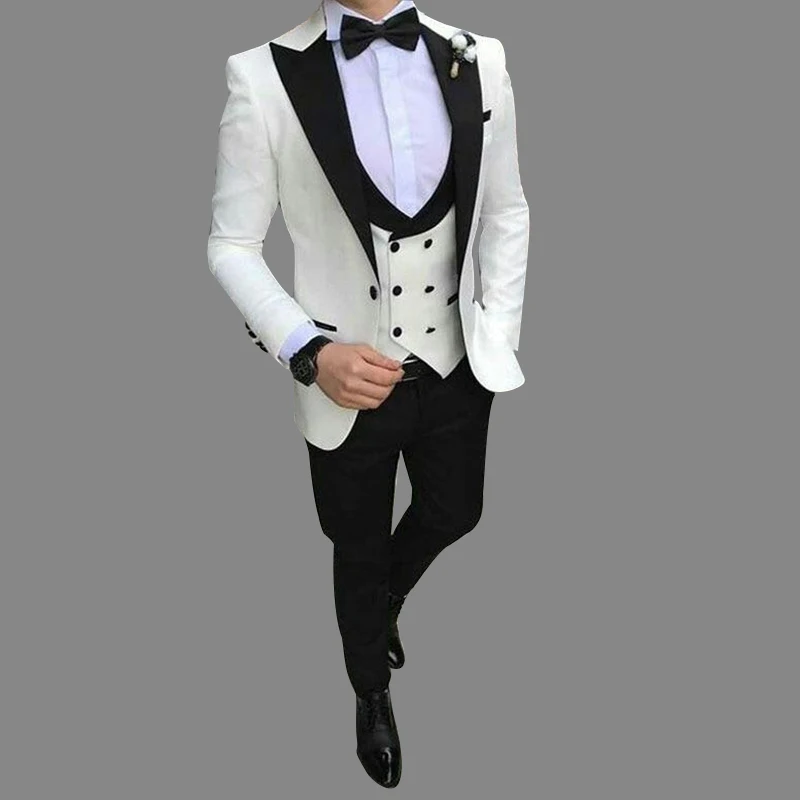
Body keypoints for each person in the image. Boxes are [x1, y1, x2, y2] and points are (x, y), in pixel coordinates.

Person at [207, 0, 528, 787]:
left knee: (457, 511)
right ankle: (369, 691)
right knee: (354, 546)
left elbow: (507, 210)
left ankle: (382, 601)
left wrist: (496, 329)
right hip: (343, 385)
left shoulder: (479, 56)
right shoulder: (262, 75)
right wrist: (308, 351)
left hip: (456, 365)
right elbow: (232, 244)